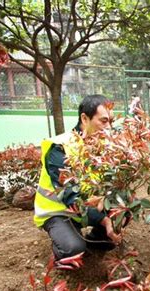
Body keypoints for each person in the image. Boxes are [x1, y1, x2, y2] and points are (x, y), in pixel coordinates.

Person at [33, 95, 121, 269]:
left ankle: (95, 242)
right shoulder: (60, 148)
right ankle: (63, 249)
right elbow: (70, 195)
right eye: (103, 121)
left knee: (122, 212)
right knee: (73, 250)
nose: (108, 127)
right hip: (58, 212)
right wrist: (104, 220)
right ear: (84, 118)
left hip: (86, 211)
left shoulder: (104, 147)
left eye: (110, 121)